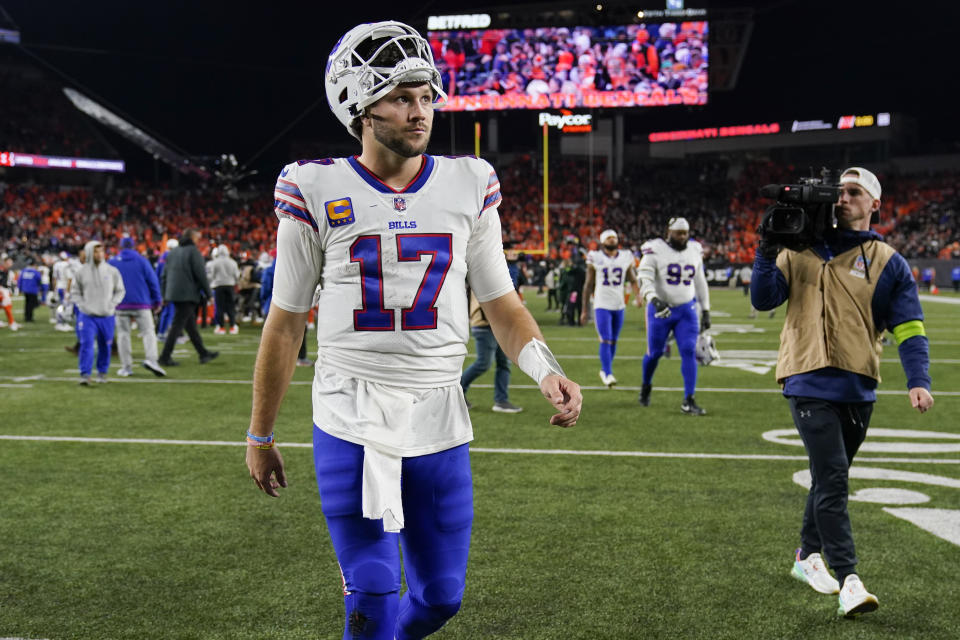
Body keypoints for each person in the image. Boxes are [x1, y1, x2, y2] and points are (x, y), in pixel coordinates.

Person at [245, 21, 582, 640]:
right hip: (350, 412)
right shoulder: (313, 186)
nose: (419, 111)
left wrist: (545, 368)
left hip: (437, 412)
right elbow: (287, 322)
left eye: (426, 96)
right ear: (359, 106)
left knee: (440, 598)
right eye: (401, 97)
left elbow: (502, 304)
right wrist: (260, 432)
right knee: (373, 590)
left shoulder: (468, 182)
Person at [751, 166, 934, 618]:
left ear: (875, 203)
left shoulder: (889, 260)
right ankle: (850, 578)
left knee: (826, 478)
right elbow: (762, 299)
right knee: (833, 478)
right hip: (806, 379)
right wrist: (766, 247)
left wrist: (918, 379)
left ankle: (806, 556)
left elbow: (910, 329)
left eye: (854, 192)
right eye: (840, 191)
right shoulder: (799, 249)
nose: (843, 198)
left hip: (858, 384)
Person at [637, 217, 711, 414]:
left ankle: (689, 399)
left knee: (688, 351)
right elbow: (644, 277)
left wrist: (706, 309)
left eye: (685, 232)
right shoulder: (654, 249)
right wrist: (653, 299)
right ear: (668, 232)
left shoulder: (695, 249)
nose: (683, 236)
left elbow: (700, 280)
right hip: (660, 309)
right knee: (655, 353)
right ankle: (646, 385)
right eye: (679, 233)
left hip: (687, 310)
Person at [580, 229, 641, 387]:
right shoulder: (596, 257)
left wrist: (638, 296)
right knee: (605, 338)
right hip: (601, 304)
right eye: (609, 238)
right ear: (602, 241)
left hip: (619, 304)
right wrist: (585, 309)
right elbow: (588, 285)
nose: (613, 239)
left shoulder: (626, 256)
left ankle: (605, 369)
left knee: (613, 341)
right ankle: (607, 373)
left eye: (614, 237)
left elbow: (633, 279)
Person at [158, 229, 219, 367]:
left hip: (174, 293)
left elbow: (164, 275)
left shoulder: (172, 252)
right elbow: (200, 274)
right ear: (192, 237)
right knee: (177, 325)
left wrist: (165, 294)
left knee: (190, 325)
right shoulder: (193, 251)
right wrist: (209, 294)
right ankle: (164, 356)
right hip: (188, 293)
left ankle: (203, 353)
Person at [108, 236, 166, 377]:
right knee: (148, 332)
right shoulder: (142, 261)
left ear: (120, 247)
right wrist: (157, 301)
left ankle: (126, 367)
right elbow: (153, 281)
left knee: (123, 334)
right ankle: (152, 360)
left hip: (120, 304)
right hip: (142, 303)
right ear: (134, 246)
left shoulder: (112, 262)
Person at [70, 240, 125, 385]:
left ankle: (102, 373)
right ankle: (85, 374)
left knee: (105, 346)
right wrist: (83, 306)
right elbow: (75, 292)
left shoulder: (112, 271)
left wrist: (112, 305)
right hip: (87, 315)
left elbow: (120, 291)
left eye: (101, 251)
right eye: (96, 251)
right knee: (86, 344)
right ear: (89, 252)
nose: (99, 254)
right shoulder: (81, 272)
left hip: (106, 315)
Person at [460, 289, 522, 413]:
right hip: (485, 325)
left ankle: (501, 401)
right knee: (483, 363)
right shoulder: (484, 272)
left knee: (504, 363)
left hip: (499, 325)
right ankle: (457, 393)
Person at [209, 244, 241, 335]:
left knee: (219, 307)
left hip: (218, 286)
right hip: (230, 285)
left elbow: (212, 275)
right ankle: (232, 326)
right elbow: (237, 275)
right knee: (231, 306)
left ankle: (221, 327)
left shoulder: (215, 262)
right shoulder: (233, 262)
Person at [16, 258, 42, 322]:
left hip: (25, 289)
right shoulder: (35, 271)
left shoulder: (23, 271)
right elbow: (39, 279)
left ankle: (27, 316)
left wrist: (20, 288)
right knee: (32, 304)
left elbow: (19, 280)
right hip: (33, 289)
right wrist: (40, 287)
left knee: (27, 303)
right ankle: (29, 317)